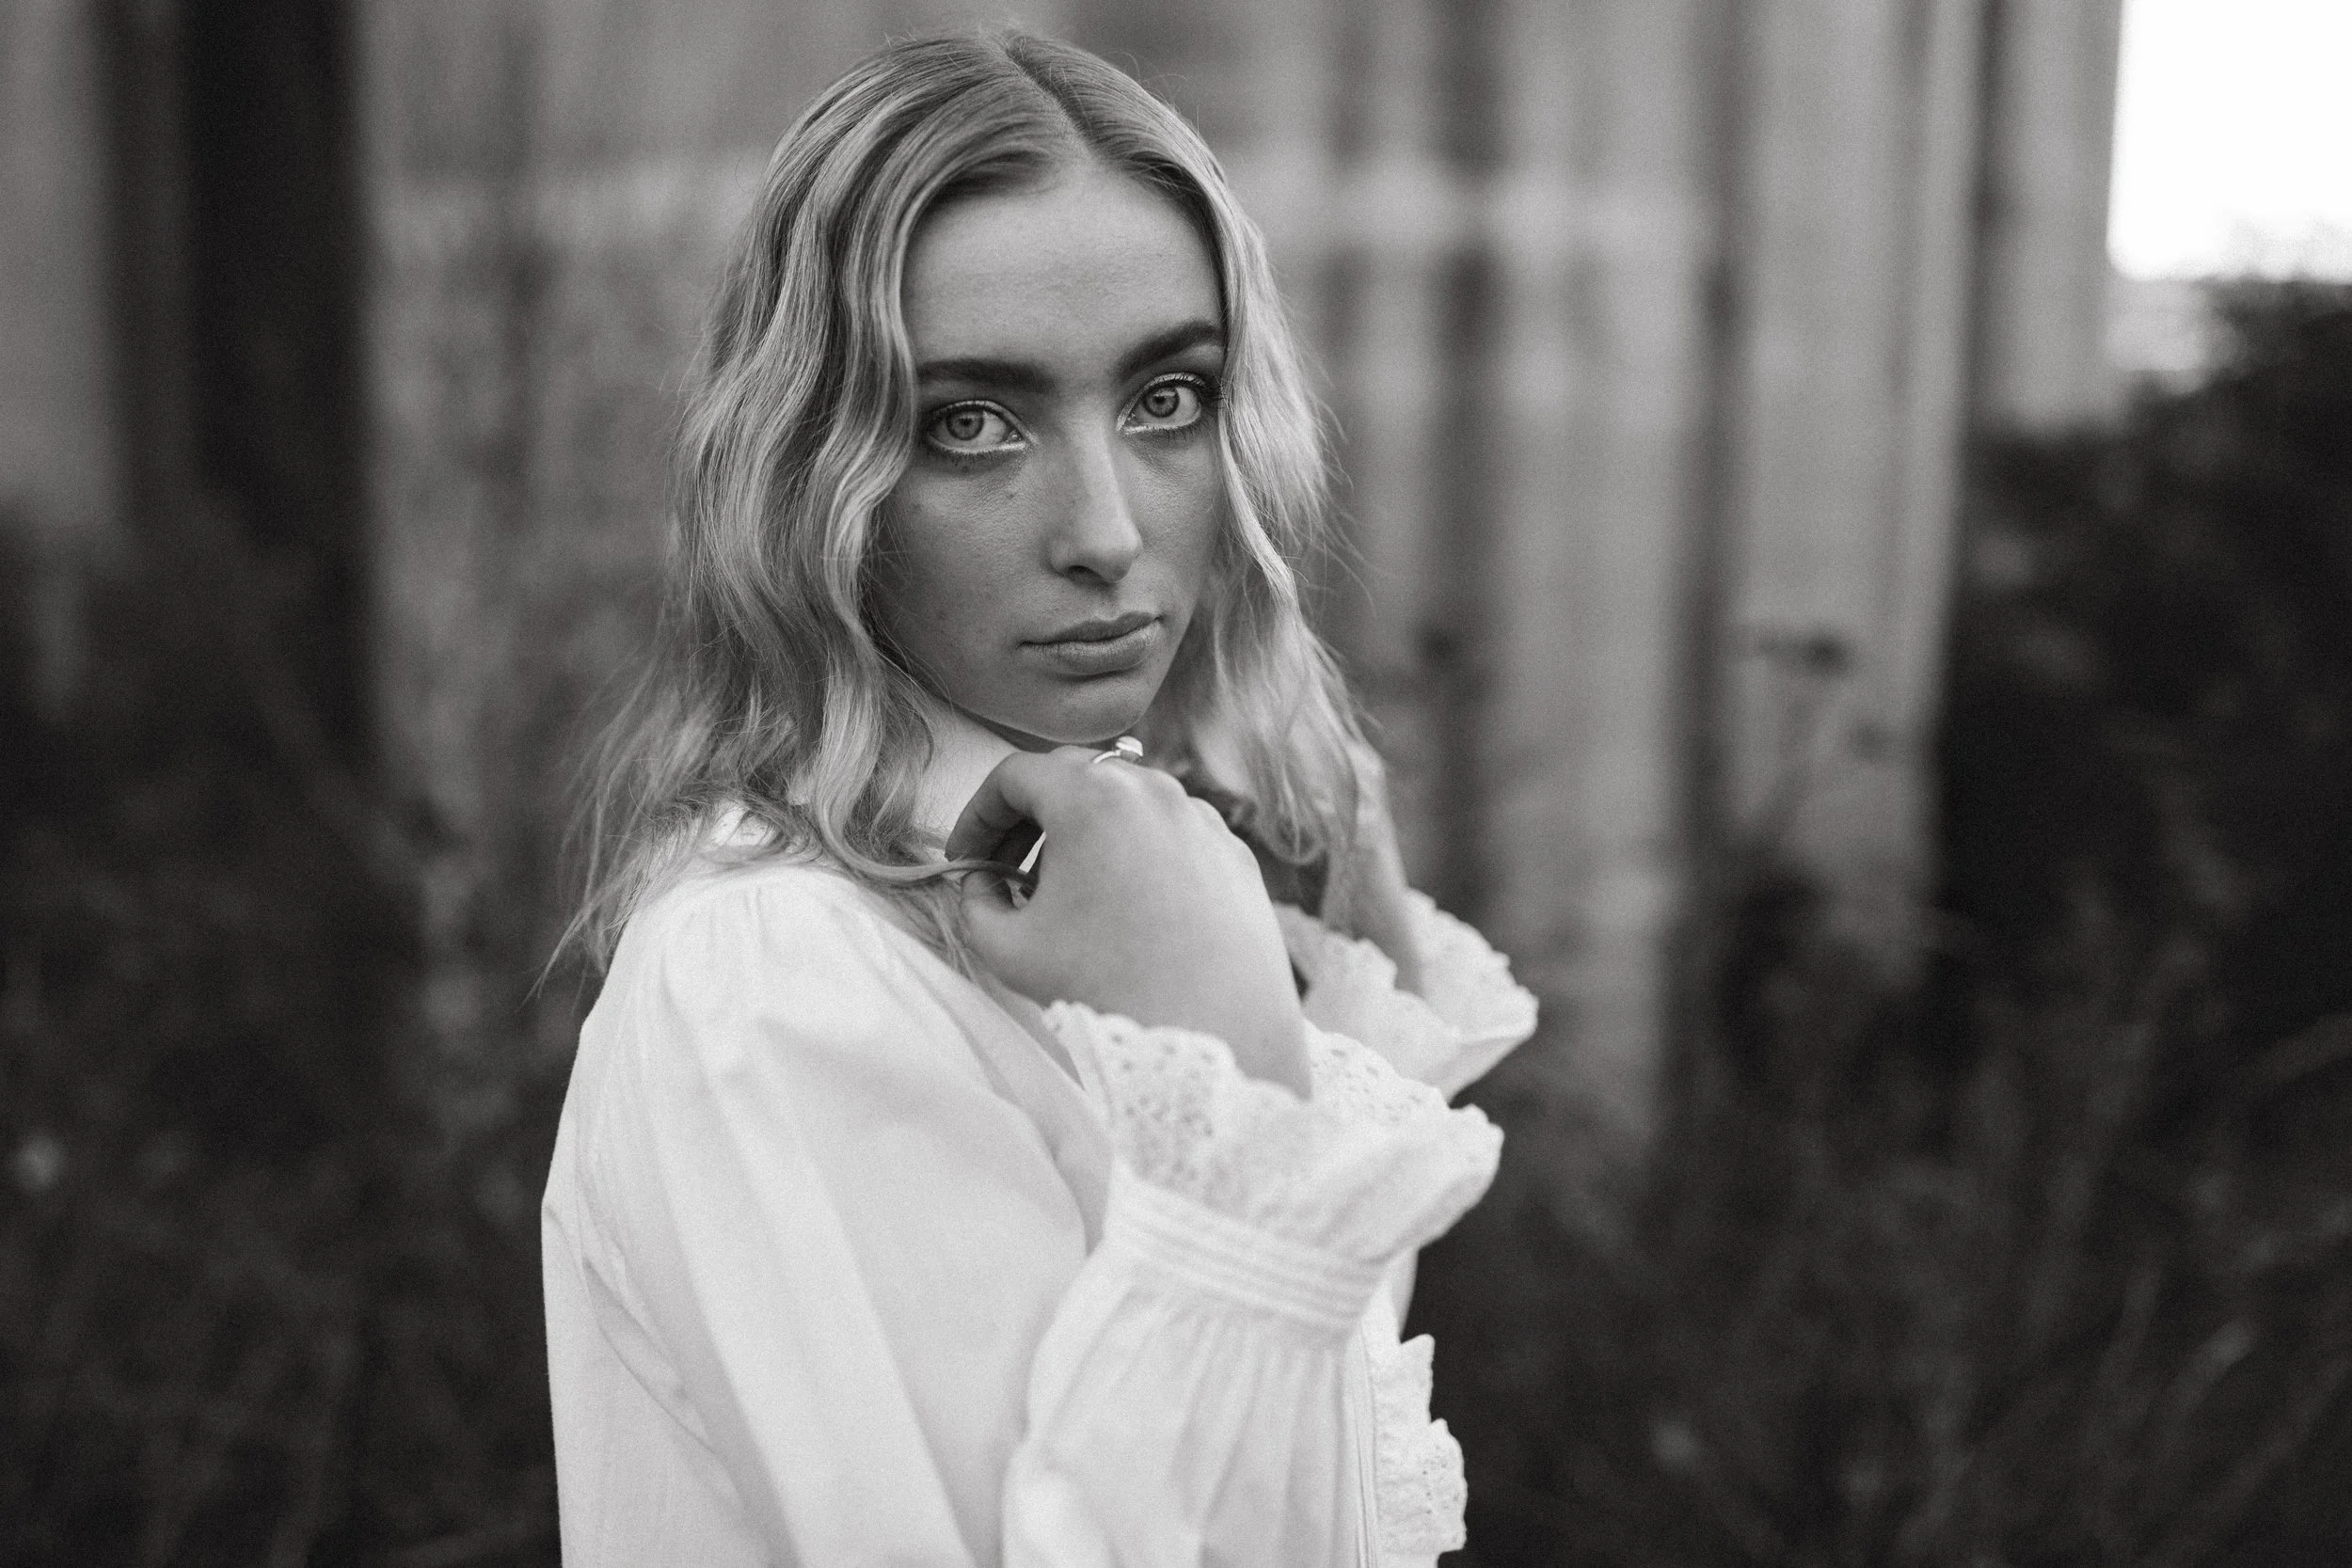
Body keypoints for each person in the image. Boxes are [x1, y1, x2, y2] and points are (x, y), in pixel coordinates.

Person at [541, 30, 1536, 1567]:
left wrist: (1343, 955)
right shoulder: (781, 973)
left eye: (1169, 398)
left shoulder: (1115, 886)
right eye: (972, 422)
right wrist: (1227, 1043)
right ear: (818, 472)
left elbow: (1303, 1479)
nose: (1105, 528)